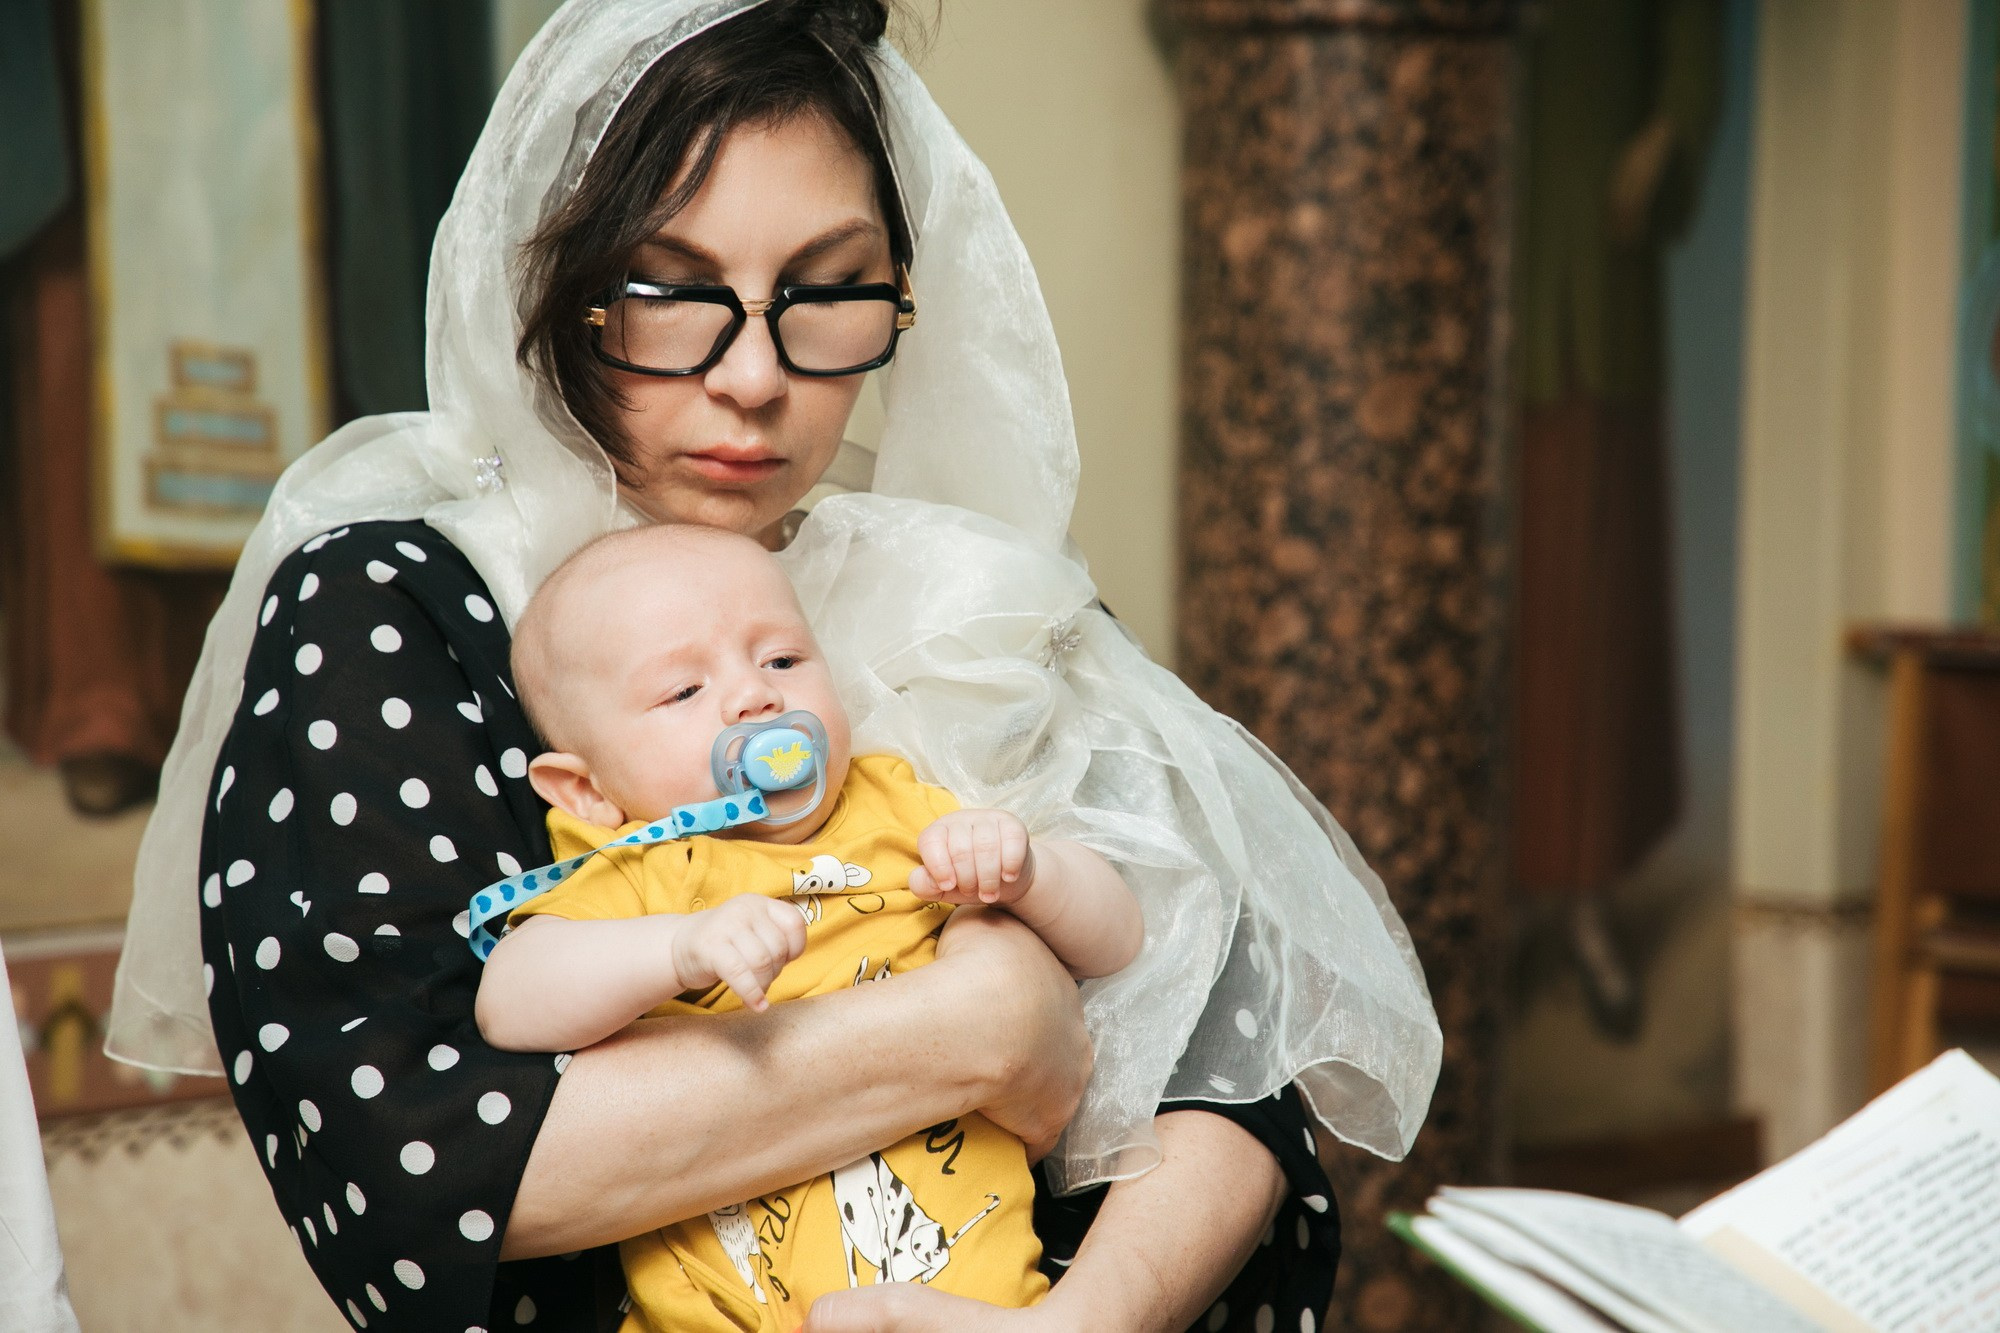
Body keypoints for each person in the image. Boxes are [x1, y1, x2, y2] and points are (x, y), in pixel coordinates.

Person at [108, 2, 1443, 1329]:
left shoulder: (971, 605)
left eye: (826, 290)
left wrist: (1080, 1326)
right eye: (675, 290)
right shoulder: (394, 607)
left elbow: (1237, 1079)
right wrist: (983, 1023)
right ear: (555, 284)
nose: (754, 375)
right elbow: (414, 1158)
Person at [477, 523, 1144, 1327]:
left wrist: (1033, 872)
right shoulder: (632, 866)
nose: (756, 696)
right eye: (683, 691)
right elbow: (508, 1000)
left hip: (969, 1302)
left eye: (783, 660)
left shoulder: (897, 803)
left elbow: (1119, 940)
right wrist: (675, 949)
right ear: (586, 791)